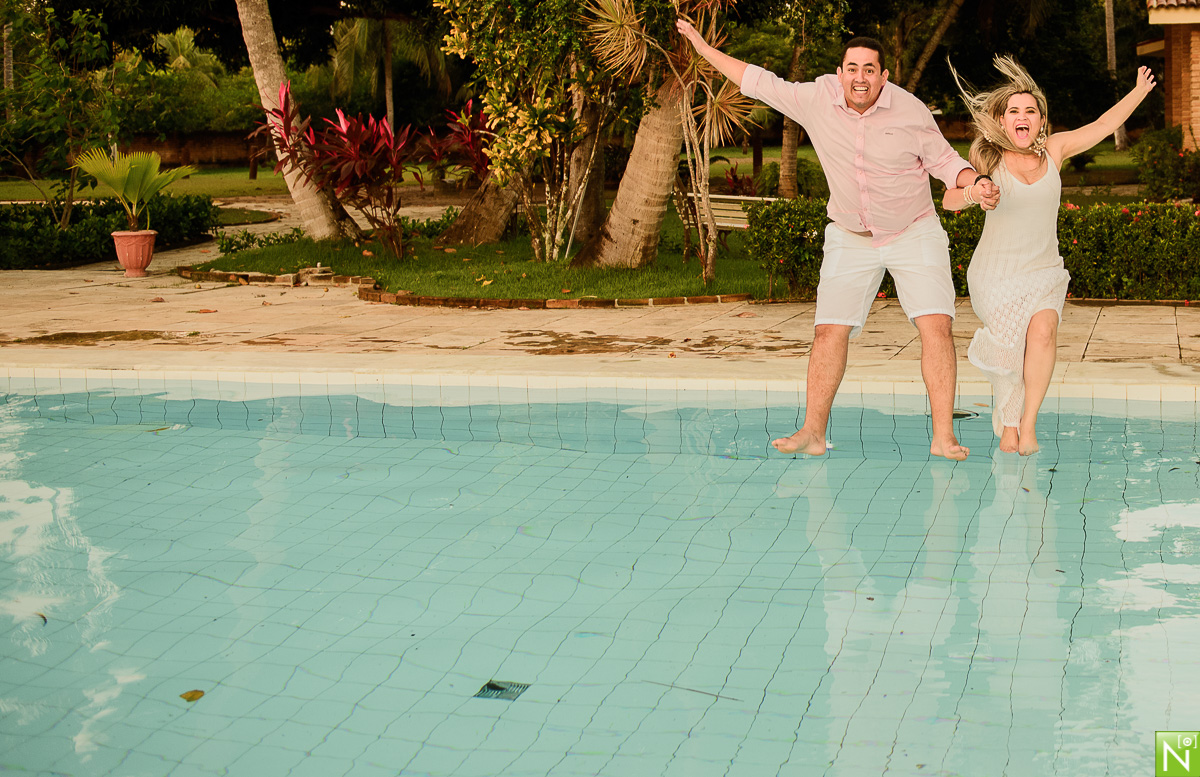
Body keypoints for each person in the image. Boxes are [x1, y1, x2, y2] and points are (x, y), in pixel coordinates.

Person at [676, 21, 999, 461]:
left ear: (884, 76)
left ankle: (943, 437)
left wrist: (976, 182)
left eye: (870, 69)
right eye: (852, 68)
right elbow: (758, 81)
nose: (860, 77)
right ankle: (813, 432)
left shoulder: (911, 110)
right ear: (840, 71)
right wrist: (701, 46)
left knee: (936, 327)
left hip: (913, 230)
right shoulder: (816, 98)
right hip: (850, 235)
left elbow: (946, 162)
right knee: (829, 331)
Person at [943, 57, 1156, 454]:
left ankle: (1027, 423)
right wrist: (976, 192)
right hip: (996, 276)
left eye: (1031, 111)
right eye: (1014, 111)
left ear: (1041, 121)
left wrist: (1139, 93)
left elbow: (1102, 126)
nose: (1022, 117)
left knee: (1043, 333)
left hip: (1043, 270)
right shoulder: (988, 158)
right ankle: (1007, 421)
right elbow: (950, 199)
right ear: (1003, 121)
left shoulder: (1054, 151)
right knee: (1008, 355)